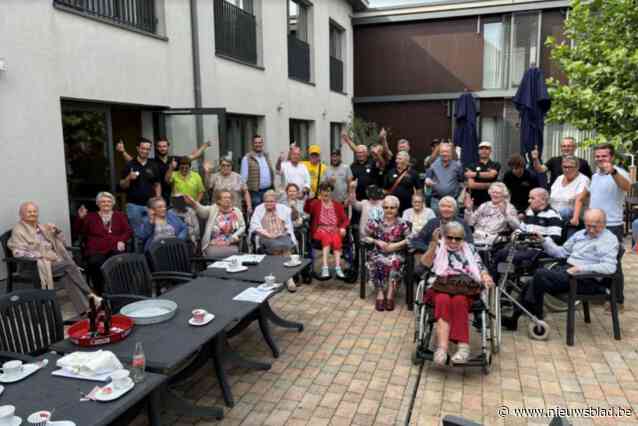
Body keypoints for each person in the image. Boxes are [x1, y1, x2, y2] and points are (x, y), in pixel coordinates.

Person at [502, 209, 618, 331]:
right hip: (568, 272)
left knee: (540, 274)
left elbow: (609, 267)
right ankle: (519, 318)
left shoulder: (609, 240)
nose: (591, 230)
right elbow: (561, 252)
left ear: (604, 223)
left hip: (586, 280)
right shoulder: (580, 234)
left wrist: (581, 268)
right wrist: (544, 241)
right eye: (588, 226)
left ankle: (535, 314)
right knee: (532, 282)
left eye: (595, 227)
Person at [420, 222, 494, 365]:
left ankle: (463, 348)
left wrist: (485, 276)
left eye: (458, 238)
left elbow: (480, 267)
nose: (453, 241)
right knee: (442, 299)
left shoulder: (470, 249)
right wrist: (433, 244)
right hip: (441, 285)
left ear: (463, 239)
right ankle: (442, 349)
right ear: (444, 236)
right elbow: (425, 263)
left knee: (459, 301)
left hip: (464, 287)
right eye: (450, 237)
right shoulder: (438, 246)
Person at [8, 202, 101, 315]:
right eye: (29, 212)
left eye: (35, 211)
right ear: (21, 214)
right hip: (34, 266)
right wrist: (40, 256)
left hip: (53, 264)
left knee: (67, 274)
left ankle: (85, 309)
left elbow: (61, 242)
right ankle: (90, 293)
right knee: (69, 265)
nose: (33, 214)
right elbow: (18, 252)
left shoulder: (41, 227)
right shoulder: (18, 231)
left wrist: (56, 232)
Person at [572, 144, 631, 310]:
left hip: (611, 225)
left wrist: (612, 171)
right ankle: (600, 294)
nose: (600, 159)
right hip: (593, 226)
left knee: (612, 263)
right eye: (597, 156)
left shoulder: (619, 172)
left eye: (604, 156)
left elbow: (626, 187)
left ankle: (617, 301)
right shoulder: (596, 175)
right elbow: (587, 194)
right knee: (593, 259)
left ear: (611, 157)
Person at [490, 188, 563, 280]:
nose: (529, 201)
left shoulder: (553, 215)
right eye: (529, 198)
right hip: (525, 248)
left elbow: (555, 239)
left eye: (532, 198)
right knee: (500, 252)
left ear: (543, 200)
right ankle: (496, 284)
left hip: (540, 251)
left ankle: (498, 283)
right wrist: (515, 234)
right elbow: (521, 229)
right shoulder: (530, 212)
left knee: (505, 255)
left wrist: (537, 239)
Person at [117, 138, 210, 204]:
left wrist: (205, 146)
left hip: (174, 195)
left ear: (168, 147)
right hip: (158, 196)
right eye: (160, 146)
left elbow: (194, 156)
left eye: (164, 146)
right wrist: (123, 152)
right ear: (157, 148)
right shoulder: (152, 162)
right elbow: (133, 161)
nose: (162, 148)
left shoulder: (175, 159)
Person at [73, 192, 132, 295]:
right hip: (96, 249)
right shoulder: (90, 217)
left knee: (118, 261)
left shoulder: (120, 215)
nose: (106, 203)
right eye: (103, 201)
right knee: (96, 263)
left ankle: (118, 290)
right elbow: (78, 231)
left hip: (115, 246)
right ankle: (100, 291)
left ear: (113, 203)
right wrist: (80, 218)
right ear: (98, 203)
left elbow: (128, 231)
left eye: (109, 201)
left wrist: (121, 240)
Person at [364, 195, 411, 312]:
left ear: (397, 209)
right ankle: (380, 294)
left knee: (394, 262)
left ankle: (390, 295)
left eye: (392, 208)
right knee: (375, 261)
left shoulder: (402, 223)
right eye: (386, 207)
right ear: (382, 208)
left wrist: (395, 245)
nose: (389, 210)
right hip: (378, 251)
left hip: (396, 252)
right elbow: (365, 237)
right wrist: (376, 241)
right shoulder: (376, 221)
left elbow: (411, 239)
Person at [249, 190, 298, 292]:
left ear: (276, 201)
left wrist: (282, 232)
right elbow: (254, 225)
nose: (269, 203)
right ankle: (288, 278)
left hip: (281, 236)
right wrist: (268, 234)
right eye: (266, 201)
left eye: (271, 201)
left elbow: (291, 221)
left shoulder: (283, 209)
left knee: (285, 246)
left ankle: (282, 277)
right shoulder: (259, 209)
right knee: (277, 247)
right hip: (266, 237)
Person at [305, 182, 350, 279]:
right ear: (320, 192)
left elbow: (345, 219)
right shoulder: (316, 203)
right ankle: (325, 267)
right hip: (320, 230)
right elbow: (307, 209)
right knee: (326, 238)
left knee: (337, 239)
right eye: (324, 191)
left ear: (331, 192)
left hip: (334, 229)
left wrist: (342, 227)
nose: (326, 193)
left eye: (328, 191)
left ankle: (338, 268)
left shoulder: (337, 205)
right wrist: (309, 199)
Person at [184, 191, 245, 258]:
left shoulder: (237, 211)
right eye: (225, 197)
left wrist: (234, 236)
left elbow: (242, 226)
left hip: (231, 242)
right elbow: (202, 211)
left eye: (229, 198)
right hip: (214, 242)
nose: (228, 199)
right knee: (212, 253)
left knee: (235, 253)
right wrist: (193, 203)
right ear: (219, 201)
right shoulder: (213, 209)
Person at [119, 138, 162, 233]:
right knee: (137, 234)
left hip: (150, 206)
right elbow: (122, 185)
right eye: (143, 148)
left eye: (147, 149)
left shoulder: (153, 165)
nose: (145, 151)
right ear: (138, 148)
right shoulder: (129, 165)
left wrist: (158, 200)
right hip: (134, 206)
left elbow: (157, 184)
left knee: (152, 231)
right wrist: (129, 178)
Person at [425, 143, 464, 214]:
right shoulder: (433, 164)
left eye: (447, 152)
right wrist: (427, 181)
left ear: (451, 153)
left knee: (453, 223)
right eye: (443, 152)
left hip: (452, 201)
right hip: (436, 201)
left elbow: (461, 180)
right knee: (436, 223)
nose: (445, 154)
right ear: (439, 153)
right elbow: (428, 178)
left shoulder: (457, 166)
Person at [549, 155, 590, 220]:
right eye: (565, 167)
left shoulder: (583, 180)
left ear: (577, 167)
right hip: (554, 216)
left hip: (571, 219)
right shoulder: (559, 178)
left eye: (570, 167)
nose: (567, 169)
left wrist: (575, 218)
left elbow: (580, 199)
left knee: (566, 211)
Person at [240, 135, 275, 209]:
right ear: (252, 144)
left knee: (269, 212)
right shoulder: (247, 158)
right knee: (257, 213)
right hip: (255, 193)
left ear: (262, 144)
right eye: (256, 143)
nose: (258, 144)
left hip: (268, 190)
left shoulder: (266, 156)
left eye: (260, 142)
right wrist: (246, 194)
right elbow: (243, 179)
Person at [342, 132, 378, 201]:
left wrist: (347, 140)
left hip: (371, 198)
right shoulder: (353, 166)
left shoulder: (372, 161)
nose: (360, 154)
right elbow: (349, 181)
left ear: (366, 153)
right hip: (357, 198)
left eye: (362, 152)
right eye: (358, 153)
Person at [465, 141, 501, 208]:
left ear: (490, 151)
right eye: (481, 148)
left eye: (487, 148)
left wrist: (474, 174)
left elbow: (491, 175)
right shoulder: (472, 165)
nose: (484, 150)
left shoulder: (495, 164)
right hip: (475, 203)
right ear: (478, 151)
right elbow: (471, 185)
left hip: (492, 203)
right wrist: (490, 185)